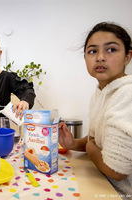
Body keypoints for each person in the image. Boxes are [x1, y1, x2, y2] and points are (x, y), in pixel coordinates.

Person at [59, 22, 132, 198]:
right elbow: (96, 139)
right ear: (85, 58)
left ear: (127, 57)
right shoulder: (100, 93)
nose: (100, 57)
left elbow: (116, 171)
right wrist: (72, 144)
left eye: (111, 50)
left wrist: (90, 148)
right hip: (102, 182)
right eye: (92, 51)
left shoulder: (127, 94)